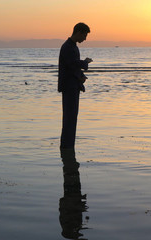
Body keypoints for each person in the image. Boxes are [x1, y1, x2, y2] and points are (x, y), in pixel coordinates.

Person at [58, 22, 93, 150]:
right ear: (79, 32)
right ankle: (67, 146)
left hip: (73, 86)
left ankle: (68, 145)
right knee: (69, 118)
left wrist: (81, 76)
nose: (85, 39)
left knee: (71, 118)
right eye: (84, 35)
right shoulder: (68, 47)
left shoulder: (73, 47)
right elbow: (72, 64)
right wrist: (84, 63)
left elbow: (73, 68)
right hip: (69, 87)